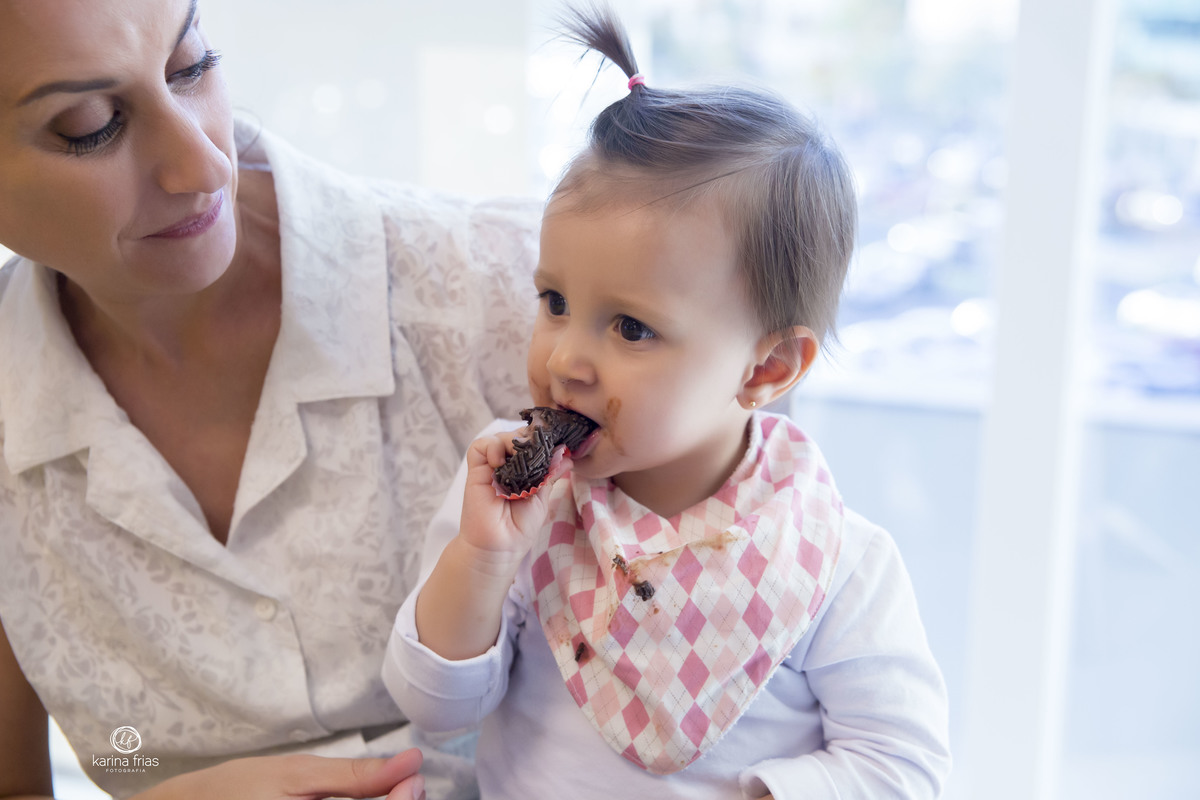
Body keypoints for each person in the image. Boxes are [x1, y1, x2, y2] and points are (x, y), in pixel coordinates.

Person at [382, 6, 952, 799]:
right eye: (554, 302)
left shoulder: (834, 561)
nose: (564, 359)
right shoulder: (519, 509)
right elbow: (436, 710)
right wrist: (482, 559)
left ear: (766, 367)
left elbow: (903, 768)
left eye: (631, 328)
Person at [0, 1, 540, 798]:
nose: (203, 166)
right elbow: (46, 777)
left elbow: (725, 710)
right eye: (91, 126)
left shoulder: (519, 302)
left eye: (191, 67)